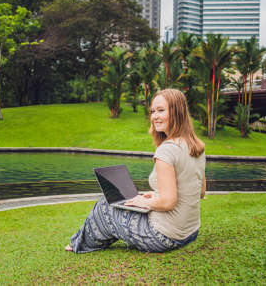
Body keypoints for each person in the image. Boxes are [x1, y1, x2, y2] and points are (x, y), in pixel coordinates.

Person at [65, 89, 206, 253]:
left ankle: (78, 244)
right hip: (190, 232)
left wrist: (143, 202)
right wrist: (155, 196)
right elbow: (200, 192)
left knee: (105, 205)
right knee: (122, 203)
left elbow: (168, 202)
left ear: (177, 112)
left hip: (166, 237)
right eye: (152, 111)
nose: (154, 116)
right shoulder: (197, 146)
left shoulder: (166, 151)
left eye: (161, 110)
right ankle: (84, 240)